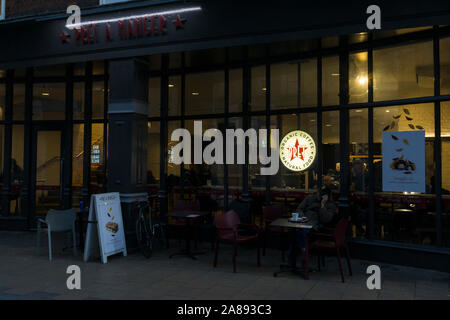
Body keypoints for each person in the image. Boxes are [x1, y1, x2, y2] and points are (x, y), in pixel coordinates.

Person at [288, 187, 337, 266]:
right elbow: (299, 209)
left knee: (301, 231)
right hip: (303, 220)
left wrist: (322, 205)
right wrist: (303, 217)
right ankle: (295, 255)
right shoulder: (310, 198)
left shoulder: (330, 205)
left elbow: (326, 219)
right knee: (293, 230)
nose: (319, 196)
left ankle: (301, 254)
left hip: (316, 224)